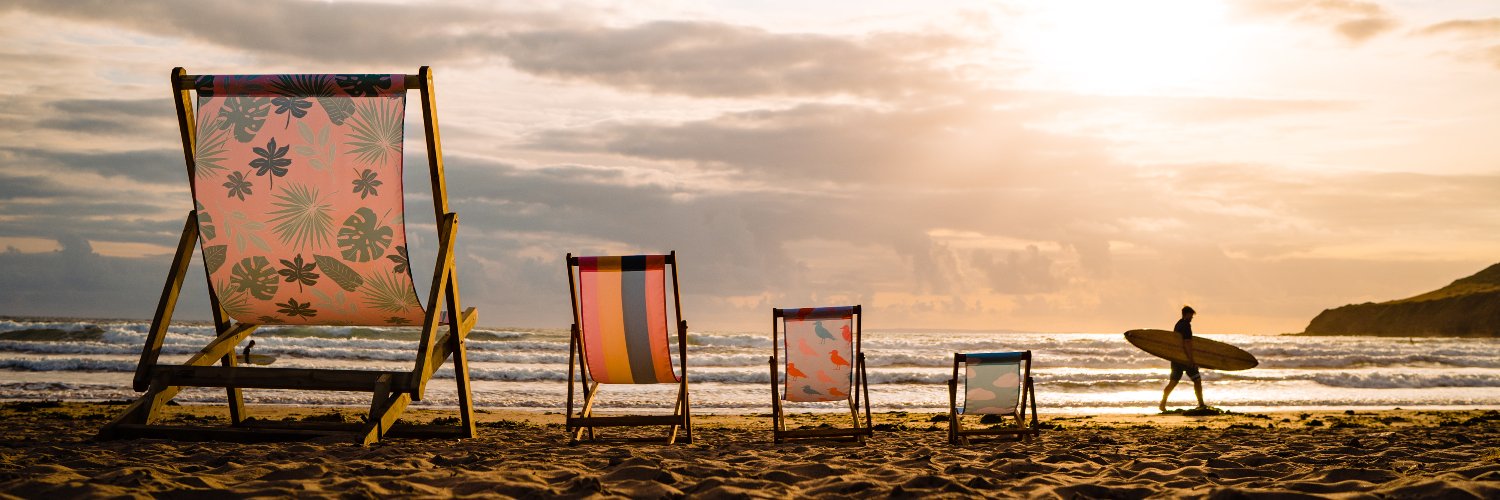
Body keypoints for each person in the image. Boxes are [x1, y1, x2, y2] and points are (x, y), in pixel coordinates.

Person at [1159, 305, 1206, 411]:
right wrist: (1191, 359)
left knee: (1173, 382)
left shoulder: (1178, 324)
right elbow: (1187, 342)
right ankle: (1201, 404)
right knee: (1197, 380)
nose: (1192, 318)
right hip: (1185, 359)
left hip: (1176, 359)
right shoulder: (1186, 325)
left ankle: (1162, 403)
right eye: (1191, 315)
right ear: (1187, 314)